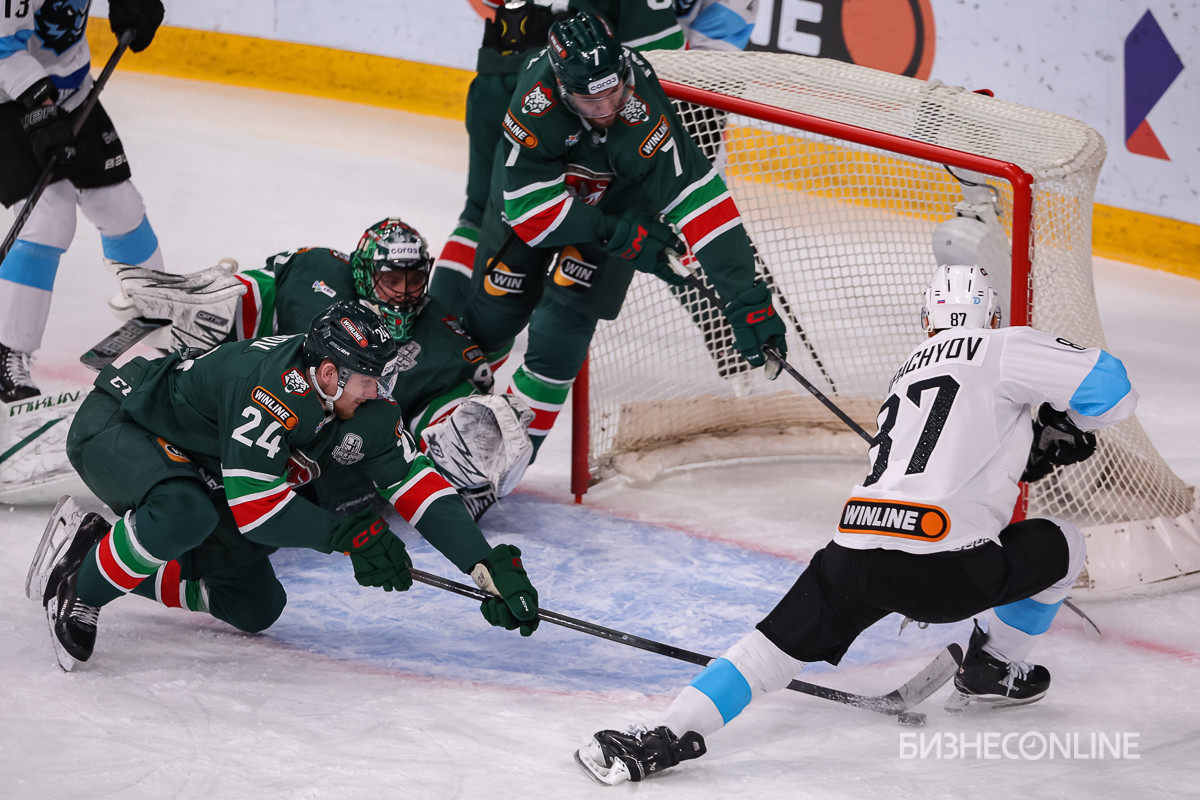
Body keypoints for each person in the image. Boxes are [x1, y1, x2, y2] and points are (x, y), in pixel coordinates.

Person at [574, 263, 1137, 784]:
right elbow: (1113, 388)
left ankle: (663, 737)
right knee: (1065, 543)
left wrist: (1025, 444)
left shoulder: (908, 368)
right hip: (948, 568)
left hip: (855, 551)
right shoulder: (1002, 344)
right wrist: (1066, 421)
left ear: (927, 321)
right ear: (992, 316)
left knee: (768, 650)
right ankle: (994, 666)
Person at [26, 300, 540, 672]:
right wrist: (348, 537)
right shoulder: (270, 386)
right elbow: (256, 508)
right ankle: (80, 591)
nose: (381, 393)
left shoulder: (365, 404)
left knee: (253, 605)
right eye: (369, 380)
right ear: (328, 373)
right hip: (127, 422)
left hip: (202, 463)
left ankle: (91, 549)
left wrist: (483, 563)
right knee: (186, 512)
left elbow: (416, 485)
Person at [455, 10, 787, 457]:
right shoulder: (536, 103)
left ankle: (500, 461)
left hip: (617, 203)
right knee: (492, 322)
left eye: (615, 93)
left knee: (561, 335)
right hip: (532, 208)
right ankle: (435, 421)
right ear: (564, 92)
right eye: (591, 102)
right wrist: (620, 235)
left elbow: (699, 198)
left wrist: (746, 295)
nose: (608, 110)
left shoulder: (641, 98)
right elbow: (529, 212)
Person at [106, 218, 535, 520]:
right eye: (392, 280)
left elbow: (442, 415)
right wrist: (228, 298)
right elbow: (264, 296)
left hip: (333, 460)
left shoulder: (444, 342)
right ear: (364, 275)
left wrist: (467, 441)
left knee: (302, 503)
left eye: (414, 279)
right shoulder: (319, 273)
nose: (405, 294)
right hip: (263, 405)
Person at [431, 1, 683, 310]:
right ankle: (550, 325)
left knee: (479, 211)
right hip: (568, 105)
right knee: (579, 222)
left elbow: (488, 5)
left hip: (497, 77)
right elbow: (661, 53)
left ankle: (441, 321)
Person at [0, 0, 167, 402]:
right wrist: (42, 111)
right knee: (49, 218)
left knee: (120, 208)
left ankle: (162, 314)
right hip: (7, 99)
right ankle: (8, 349)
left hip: (72, 91)